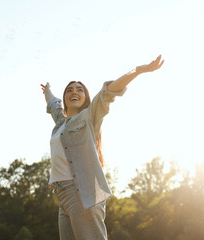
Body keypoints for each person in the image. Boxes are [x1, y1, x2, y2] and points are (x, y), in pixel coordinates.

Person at [40, 55, 164, 240]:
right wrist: (47, 90)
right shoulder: (60, 123)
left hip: (81, 193)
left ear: (85, 97)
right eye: (70, 90)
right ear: (65, 98)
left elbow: (109, 90)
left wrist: (138, 70)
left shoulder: (89, 116)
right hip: (62, 195)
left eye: (80, 90)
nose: (74, 92)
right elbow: (53, 103)